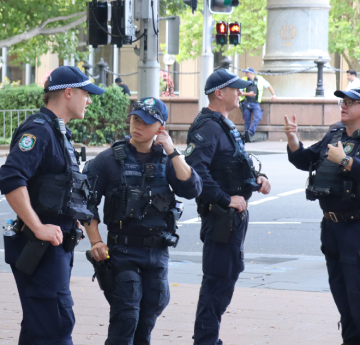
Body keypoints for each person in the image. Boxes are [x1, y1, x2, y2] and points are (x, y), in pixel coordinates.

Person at [0, 66, 103, 344]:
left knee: (39, 328)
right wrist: (38, 226)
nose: (89, 100)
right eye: (85, 93)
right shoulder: (40, 130)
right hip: (40, 248)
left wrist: (71, 217)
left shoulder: (58, 131)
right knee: (55, 326)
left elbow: (51, 186)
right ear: (68, 92)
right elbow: (10, 179)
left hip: (55, 248)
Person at [84, 97, 202, 344]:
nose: (137, 125)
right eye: (135, 119)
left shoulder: (166, 159)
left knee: (149, 316)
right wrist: (95, 242)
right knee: (126, 318)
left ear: (160, 128)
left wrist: (172, 150)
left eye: (145, 122)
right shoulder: (108, 160)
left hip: (157, 252)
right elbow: (86, 203)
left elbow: (192, 189)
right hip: (122, 251)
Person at [186, 69, 272, 345]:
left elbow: (232, 165)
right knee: (217, 282)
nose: (241, 92)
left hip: (232, 218)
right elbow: (196, 170)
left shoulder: (223, 124)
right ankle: (206, 341)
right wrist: (226, 199)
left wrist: (258, 179)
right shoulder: (209, 126)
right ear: (219, 93)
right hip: (221, 218)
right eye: (235, 88)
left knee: (226, 277)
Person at [285, 88, 360, 344]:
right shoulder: (335, 132)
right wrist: (293, 139)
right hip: (331, 228)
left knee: (357, 299)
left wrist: (346, 161)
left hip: (355, 229)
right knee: (343, 299)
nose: (344, 105)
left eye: (351, 102)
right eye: (343, 101)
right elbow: (306, 160)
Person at [239, 68, 276, 138]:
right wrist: (248, 94)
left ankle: (249, 133)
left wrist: (273, 94)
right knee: (247, 120)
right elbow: (239, 92)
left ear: (252, 73)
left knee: (258, 117)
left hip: (255, 103)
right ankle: (246, 137)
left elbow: (268, 85)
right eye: (245, 72)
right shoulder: (243, 80)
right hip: (246, 103)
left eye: (247, 73)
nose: (246, 74)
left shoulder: (260, 79)